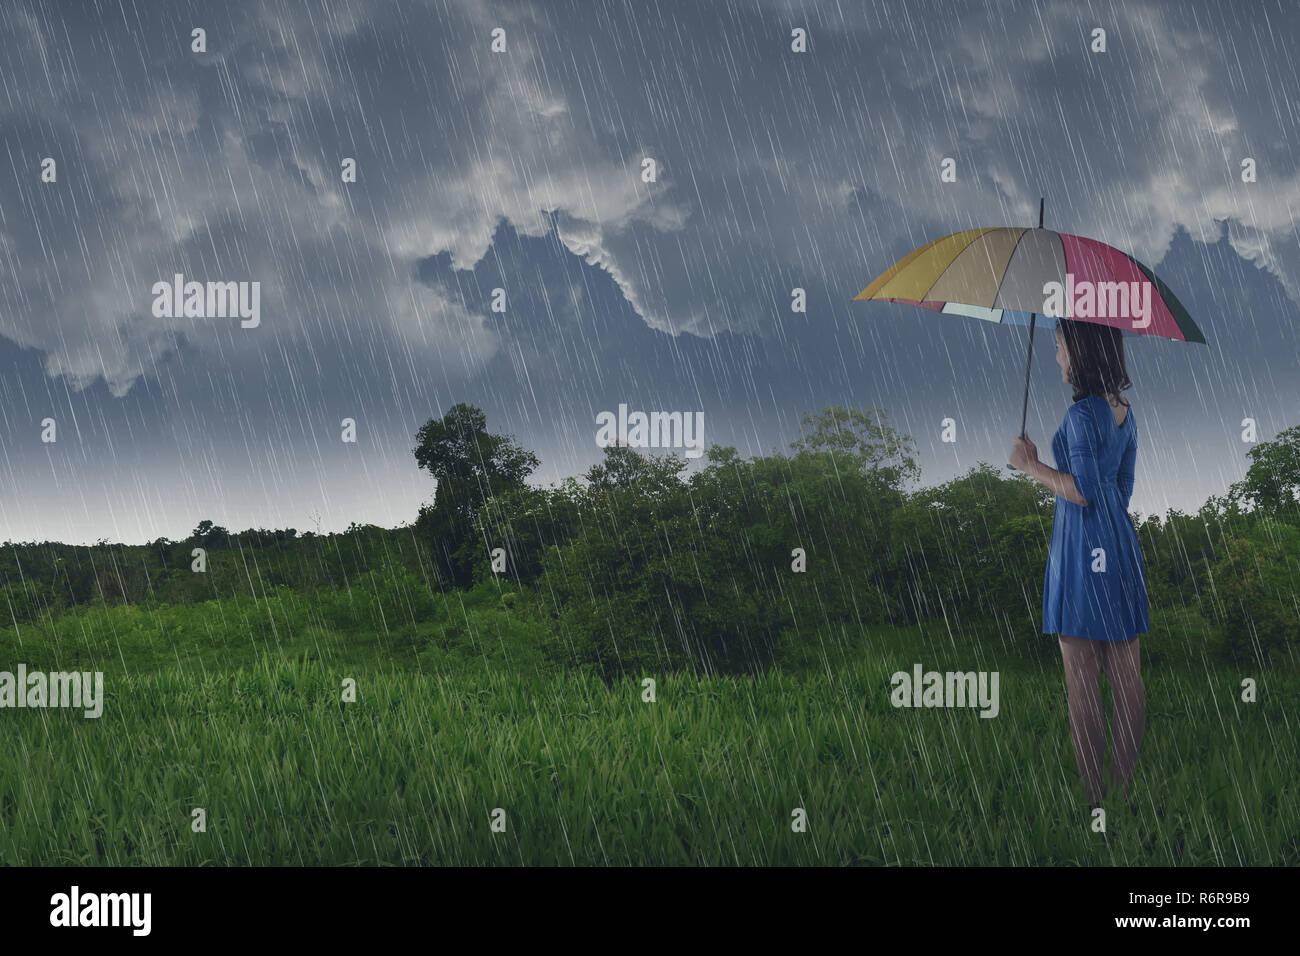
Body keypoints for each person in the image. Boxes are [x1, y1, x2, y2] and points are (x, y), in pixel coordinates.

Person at [1009, 318, 1149, 809]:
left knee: (1082, 682)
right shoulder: (1124, 413)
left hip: (1079, 546)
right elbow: (1121, 491)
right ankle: (1122, 788)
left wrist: (1031, 467)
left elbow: (1083, 492)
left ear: (1083, 350)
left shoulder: (1080, 416)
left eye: (1061, 344)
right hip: (1119, 546)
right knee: (1127, 675)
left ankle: (1094, 800)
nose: (1056, 356)